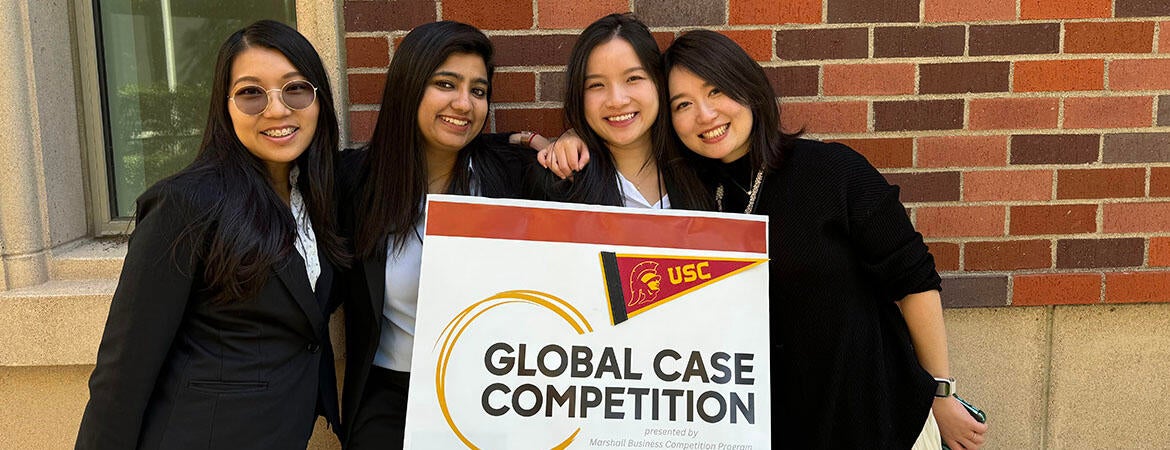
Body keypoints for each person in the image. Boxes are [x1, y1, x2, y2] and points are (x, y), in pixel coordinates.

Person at [662, 30, 988, 449]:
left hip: (878, 423)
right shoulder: (689, 204)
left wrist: (940, 392)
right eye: (683, 105)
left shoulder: (831, 171)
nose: (705, 114)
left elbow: (914, 280)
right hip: (771, 432)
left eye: (716, 90)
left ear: (749, 88)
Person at [76, 19, 348, 449]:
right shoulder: (184, 204)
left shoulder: (320, 198)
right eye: (251, 93)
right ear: (226, 107)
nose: (277, 109)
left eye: (295, 89)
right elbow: (123, 371)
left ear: (319, 99)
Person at [337, 21, 541, 449]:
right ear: (409, 87)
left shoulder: (510, 176)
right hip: (389, 401)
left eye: (478, 90)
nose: (464, 103)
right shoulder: (354, 181)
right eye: (445, 84)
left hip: (491, 396)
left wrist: (557, 140)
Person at [543, 13, 709, 210]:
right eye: (596, 85)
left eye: (633, 79)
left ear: (658, 82)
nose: (617, 101)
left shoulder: (706, 173)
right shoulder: (557, 183)